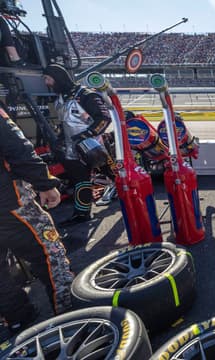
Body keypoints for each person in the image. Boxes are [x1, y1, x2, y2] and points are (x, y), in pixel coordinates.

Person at [0, 104, 73, 337]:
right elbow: (17, 148)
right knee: (50, 254)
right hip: (10, 204)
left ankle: (17, 319)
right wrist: (44, 183)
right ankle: (71, 315)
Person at [43, 63, 111, 226]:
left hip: (95, 147)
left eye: (48, 78)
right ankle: (82, 214)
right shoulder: (59, 98)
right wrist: (59, 141)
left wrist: (85, 135)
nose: (46, 83)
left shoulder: (85, 94)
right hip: (71, 149)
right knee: (80, 180)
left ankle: (134, 198)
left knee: (115, 174)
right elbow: (65, 124)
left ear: (58, 78)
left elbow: (104, 118)